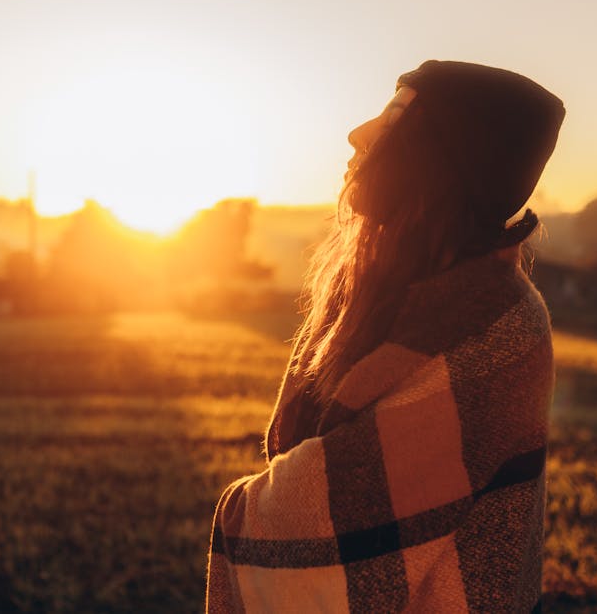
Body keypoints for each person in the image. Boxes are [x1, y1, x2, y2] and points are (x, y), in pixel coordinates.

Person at [206, 60, 565, 613]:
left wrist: (246, 505)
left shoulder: (498, 325)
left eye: (394, 116)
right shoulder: (383, 292)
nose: (359, 133)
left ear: (449, 158)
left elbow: (327, 513)